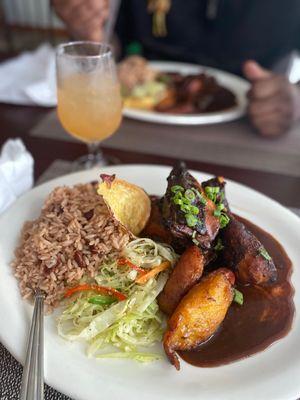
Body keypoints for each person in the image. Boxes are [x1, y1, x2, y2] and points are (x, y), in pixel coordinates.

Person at [52, 0, 300, 137]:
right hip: (132, 126)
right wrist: (87, 29)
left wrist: (295, 98)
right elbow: (111, 45)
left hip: (252, 131)